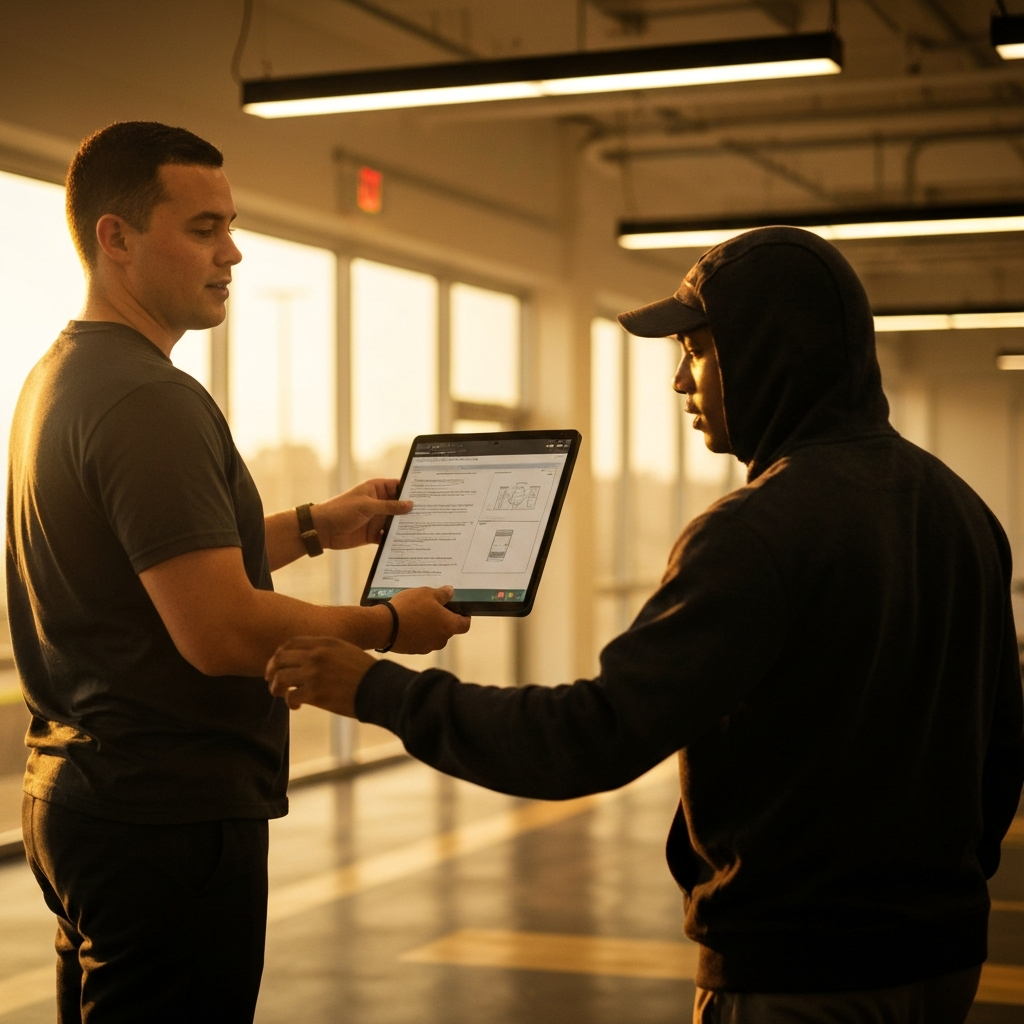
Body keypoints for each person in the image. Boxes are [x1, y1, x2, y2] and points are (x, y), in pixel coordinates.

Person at [266, 226, 1024, 1023]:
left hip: (798, 976)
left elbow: (589, 738)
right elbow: (1000, 750)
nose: (677, 382)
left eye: (697, 351)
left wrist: (378, 689)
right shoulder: (961, 510)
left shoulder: (755, 532)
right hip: (942, 963)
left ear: (764, 354)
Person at [5, 121, 469, 1024]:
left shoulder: (60, 377)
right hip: (163, 816)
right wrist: (387, 628)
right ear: (117, 239)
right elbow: (216, 629)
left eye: (231, 226)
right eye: (204, 228)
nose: (234, 253)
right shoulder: (150, 398)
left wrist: (314, 527)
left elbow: (161, 563)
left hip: (80, 798)